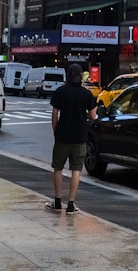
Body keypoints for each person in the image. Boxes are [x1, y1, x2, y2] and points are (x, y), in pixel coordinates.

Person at [45, 63, 96, 213]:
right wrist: (85, 115)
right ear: (81, 77)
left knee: (58, 168)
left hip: (62, 136)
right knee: (76, 170)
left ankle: (57, 201)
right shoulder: (86, 94)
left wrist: (56, 130)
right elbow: (93, 116)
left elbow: (54, 114)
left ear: (68, 76)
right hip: (80, 137)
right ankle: (71, 205)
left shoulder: (60, 91)